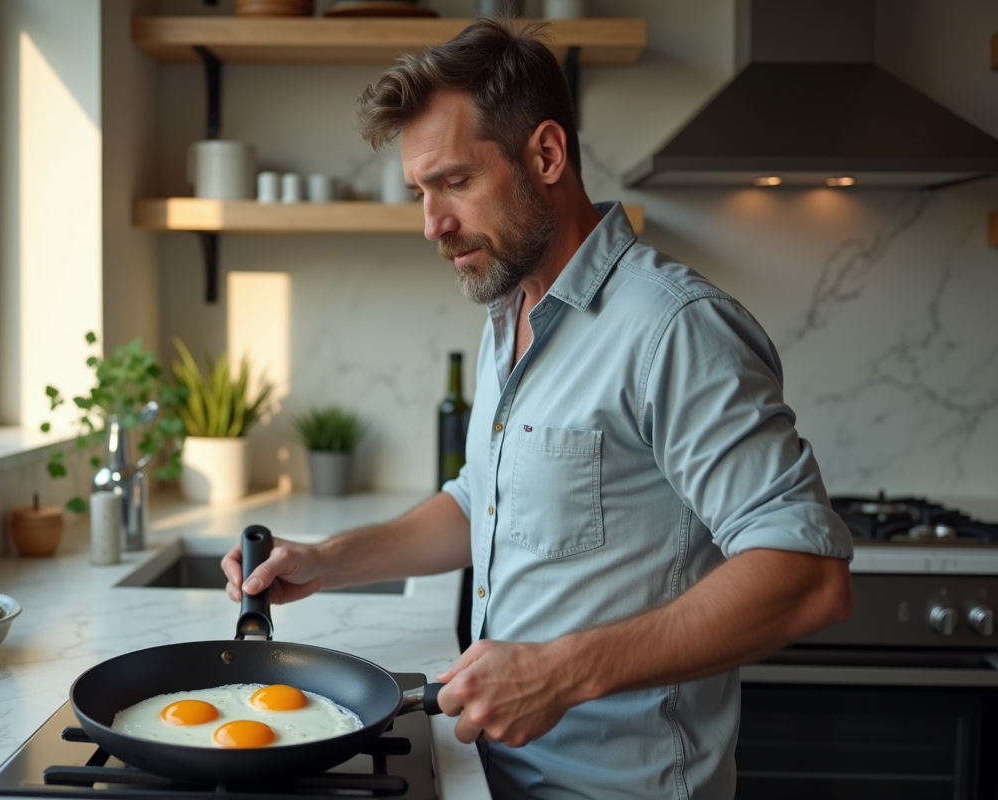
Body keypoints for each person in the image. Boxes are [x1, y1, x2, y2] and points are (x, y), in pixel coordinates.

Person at [222, 18, 854, 800]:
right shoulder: (512, 312)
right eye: (421, 192)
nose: (432, 224)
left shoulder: (672, 327)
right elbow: (480, 502)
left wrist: (561, 671)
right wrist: (325, 561)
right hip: (500, 774)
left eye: (454, 182)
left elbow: (807, 572)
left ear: (546, 155)